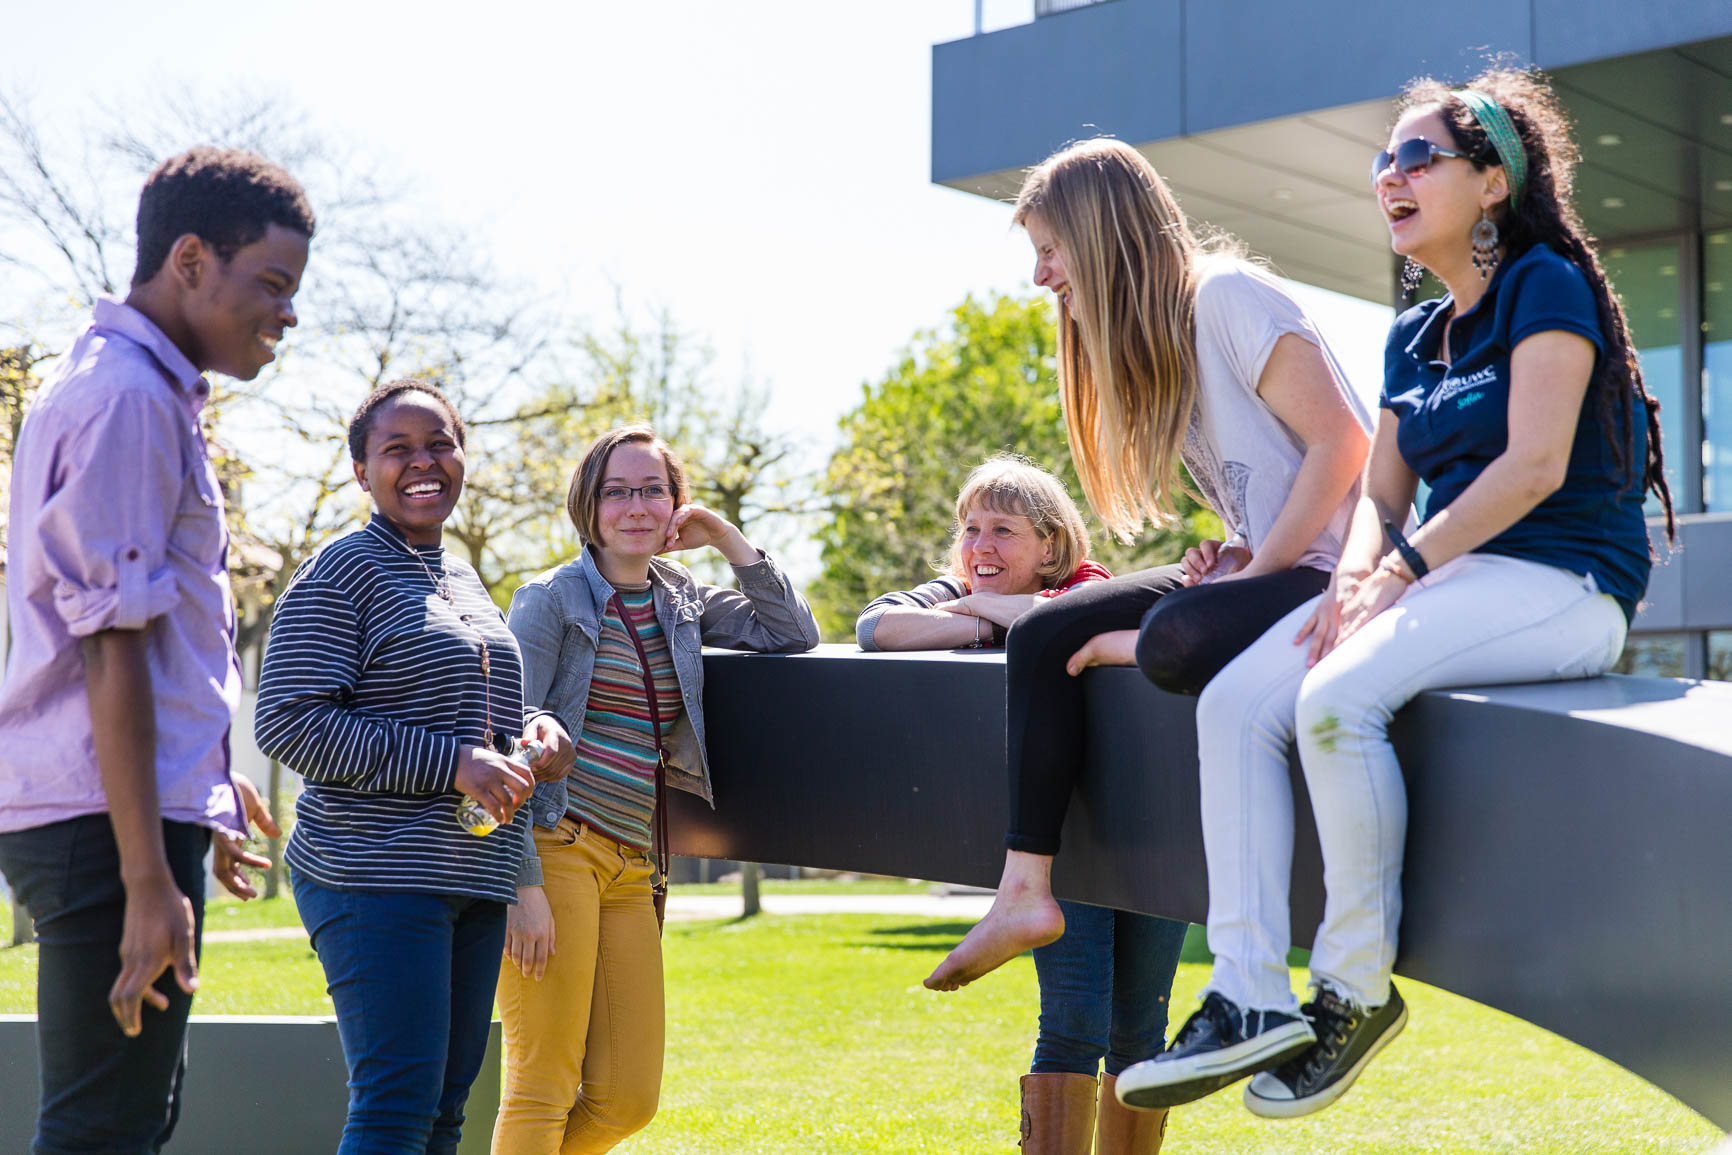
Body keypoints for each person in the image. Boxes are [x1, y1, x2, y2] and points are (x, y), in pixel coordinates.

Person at [1115, 67, 1674, 1120]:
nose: (1392, 176)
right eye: (1385, 158)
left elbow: (1534, 468)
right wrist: (1363, 574)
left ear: (1493, 183)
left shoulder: (1544, 282)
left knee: (1334, 702)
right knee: (1238, 702)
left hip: (1565, 582)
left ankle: (1354, 991)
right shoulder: (1409, 336)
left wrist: (1398, 573)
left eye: (1420, 157)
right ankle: (1244, 992)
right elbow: (1381, 489)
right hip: (1442, 577)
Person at [925, 139, 1374, 1010]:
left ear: (1101, 236)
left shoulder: (1227, 297)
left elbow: (1344, 444)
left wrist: (1255, 572)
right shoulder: (1167, 342)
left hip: (1339, 577)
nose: (1041, 276)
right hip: (1272, 566)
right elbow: (1268, 487)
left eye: (1051, 251)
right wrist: (1235, 552)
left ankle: (1131, 645)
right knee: (1046, 629)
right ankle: (1023, 891)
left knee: (1174, 640)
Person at [0, 146, 308, 1153]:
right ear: (187, 260)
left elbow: (145, 635)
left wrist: (203, 787)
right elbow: (110, 649)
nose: (287, 314)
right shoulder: (129, 399)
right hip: (103, 827)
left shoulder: (112, 385)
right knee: (104, 1129)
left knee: (126, 1119)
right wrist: (144, 876)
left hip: (114, 810)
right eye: (271, 283)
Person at [255, 379, 575, 1154]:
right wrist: (451, 763)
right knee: (398, 1102)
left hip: (473, 872)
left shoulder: (458, 575)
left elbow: (478, 722)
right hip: (373, 873)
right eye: (396, 448)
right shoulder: (342, 571)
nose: (422, 462)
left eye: (439, 443)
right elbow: (288, 720)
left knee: (443, 1110)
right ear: (362, 469)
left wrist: (532, 731)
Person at [493, 424, 819, 1154]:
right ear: (589, 504)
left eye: (654, 489)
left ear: (675, 502)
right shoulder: (547, 598)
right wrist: (523, 884)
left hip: (632, 864)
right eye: (618, 491)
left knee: (627, 1099)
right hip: (554, 846)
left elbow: (792, 632)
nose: (636, 505)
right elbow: (506, 729)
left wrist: (725, 536)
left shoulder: (683, 598)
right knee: (543, 1082)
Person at [858, 454, 1181, 1154]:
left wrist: (1000, 615)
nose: (979, 548)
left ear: (1052, 546)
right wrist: (983, 619)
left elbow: (1055, 617)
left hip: (1157, 831)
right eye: (970, 529)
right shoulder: (966, 588)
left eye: (1002, 530)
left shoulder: (1095, 588)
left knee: (1142, 1031)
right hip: (1064, 840)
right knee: (1072, 1025)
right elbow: (876, 627)